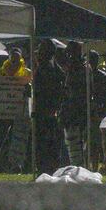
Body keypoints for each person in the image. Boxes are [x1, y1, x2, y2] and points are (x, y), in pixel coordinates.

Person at [0, 47, 33, 174]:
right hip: (4, 112)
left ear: (21, 58)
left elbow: (30, 93)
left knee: (19, 140)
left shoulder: (27, 73)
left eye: (17, 58)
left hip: (20, 113)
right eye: (12, 58)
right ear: (8, 58)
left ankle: (17, 165)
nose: (14, 62)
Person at [30, 40, 65, 176]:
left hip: (44, 110)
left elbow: (43, 91)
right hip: (49, 110)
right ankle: (49, 167)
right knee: (50, 141)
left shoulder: (46, 67)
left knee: (43, 142)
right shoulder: (55, 67)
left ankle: (44, 167)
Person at [86, 50, 106, 170]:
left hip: (96, 112)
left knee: (95, 142)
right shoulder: (84, 74)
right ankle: (87, 166)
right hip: (85, 111)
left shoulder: (102, 76)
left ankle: (94, 166)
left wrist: (102, 112)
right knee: (86, 141)